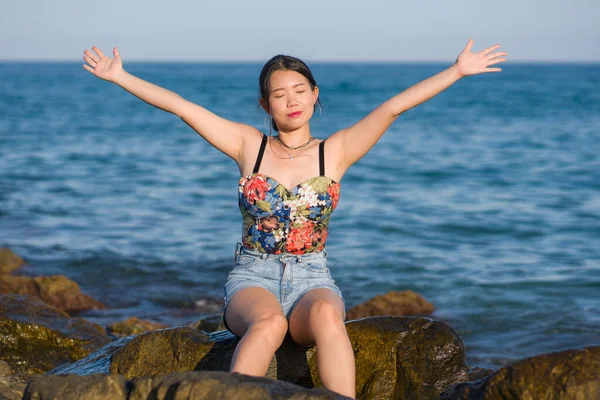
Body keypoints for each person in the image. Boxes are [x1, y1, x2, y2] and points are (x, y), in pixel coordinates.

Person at [82, 39, 506, 399]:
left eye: (300, 90)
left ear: (315, 93)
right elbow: (183, 107)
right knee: (267, 324)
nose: (292, 101)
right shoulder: (250, 146)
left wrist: (456, 71)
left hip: (313, 278)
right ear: (266, 103)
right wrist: (120, 76)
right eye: (280, 94)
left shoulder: (335, 151)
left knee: (327, 317)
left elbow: (392, 107)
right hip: (253, 277)